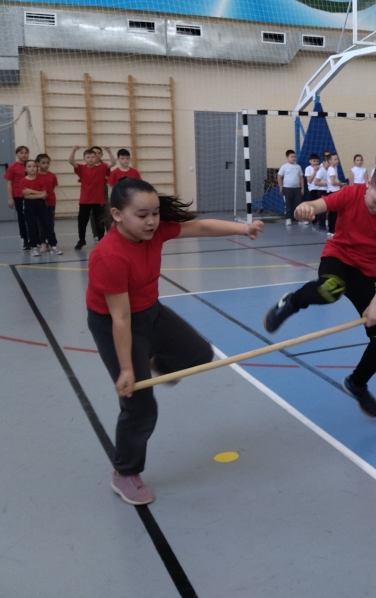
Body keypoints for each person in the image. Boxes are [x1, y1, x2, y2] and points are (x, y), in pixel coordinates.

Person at [87, 177, 264, 505]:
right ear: (117, 214)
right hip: (115, 322)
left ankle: (155, 361)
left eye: (155, 213)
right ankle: (125, 473)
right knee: (140, 404)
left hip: (150, 311)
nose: (152, 221)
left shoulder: (153, 232)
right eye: (142, 215)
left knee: (199, 353)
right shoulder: (108, 256)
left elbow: (202, 227)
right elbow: (120, 318)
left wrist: (244, 229)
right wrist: (126, 370)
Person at [262, 161, 376, 418]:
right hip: (338, 259)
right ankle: (291, 302)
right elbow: (319, 205)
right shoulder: (351, 194)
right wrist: (305, 208)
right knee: (331, 289)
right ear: (369, 184)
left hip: (366, 274)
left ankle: (357, 383)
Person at [69, 145, 110, 251]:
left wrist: (109, 151)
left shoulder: (101, 167)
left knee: (99, 221)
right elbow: (71, 161)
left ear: (97, 158)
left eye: (93, 157)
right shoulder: (81, 168)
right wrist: (73, 150)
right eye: (88, 157)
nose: (90, 159)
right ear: (84, 158)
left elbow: (113, 163)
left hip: (98, 200)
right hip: (85, 201)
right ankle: (81, 240)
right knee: (82, 222)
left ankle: (101, 239)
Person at [20, 160, 53, 257]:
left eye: (34, 166)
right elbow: (26, 196)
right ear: (25, 169)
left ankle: (53, 244)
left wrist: (31, 191)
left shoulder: (41, 179)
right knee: (31, 226)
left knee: (47, 224)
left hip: (41, 205)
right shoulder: (23, 181)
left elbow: (45, 194)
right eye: (29, 166)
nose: (32, 168)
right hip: (29, 205)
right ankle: (33, 247)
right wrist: (39, 194)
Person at [4, 146, 31, 250]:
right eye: (21, 153)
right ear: (17, 154)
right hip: (19, 196)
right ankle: (25, 239)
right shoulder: (13, 167)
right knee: (22, 217)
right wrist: (10, 198)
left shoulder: (31, 165)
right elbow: (9, 183)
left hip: (32, 195)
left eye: (26, 153)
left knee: (33, 217)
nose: (24, 155)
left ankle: (35, 238)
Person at [36, 154, 60, 251]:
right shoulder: (35, 176)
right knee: (41, 223)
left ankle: (51, 242)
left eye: (47, 163)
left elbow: (52, 187)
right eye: (43, 163)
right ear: (38, 163)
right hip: (39, 202)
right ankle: (43, 242)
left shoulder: (52, 175)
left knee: (50, 223)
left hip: (51, 202)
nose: (46, 165)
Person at [276, 149, 304, 226]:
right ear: (287, 158)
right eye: (292, 157)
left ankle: (300, 219)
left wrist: (302, 188)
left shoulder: (298, 167)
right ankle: (288, 219)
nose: (294, 158)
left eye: (295, 156)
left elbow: (301, 178)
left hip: (297, 188)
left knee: (298, 204)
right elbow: (279, 177)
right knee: (288, 204)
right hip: (287, 188)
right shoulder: (284, 167)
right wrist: (281, 187)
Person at [325, 153, 345, 238]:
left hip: (334, 191)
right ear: (330, 161)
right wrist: (341, 184)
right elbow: (333, 182)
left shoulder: (333, 168)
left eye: (337, 159)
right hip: (333, 192)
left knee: (333, 212)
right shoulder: (332, 169)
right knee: (333, 212)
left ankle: (332, 229)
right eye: (335, 159)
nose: (337, 161)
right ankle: (332, 230)